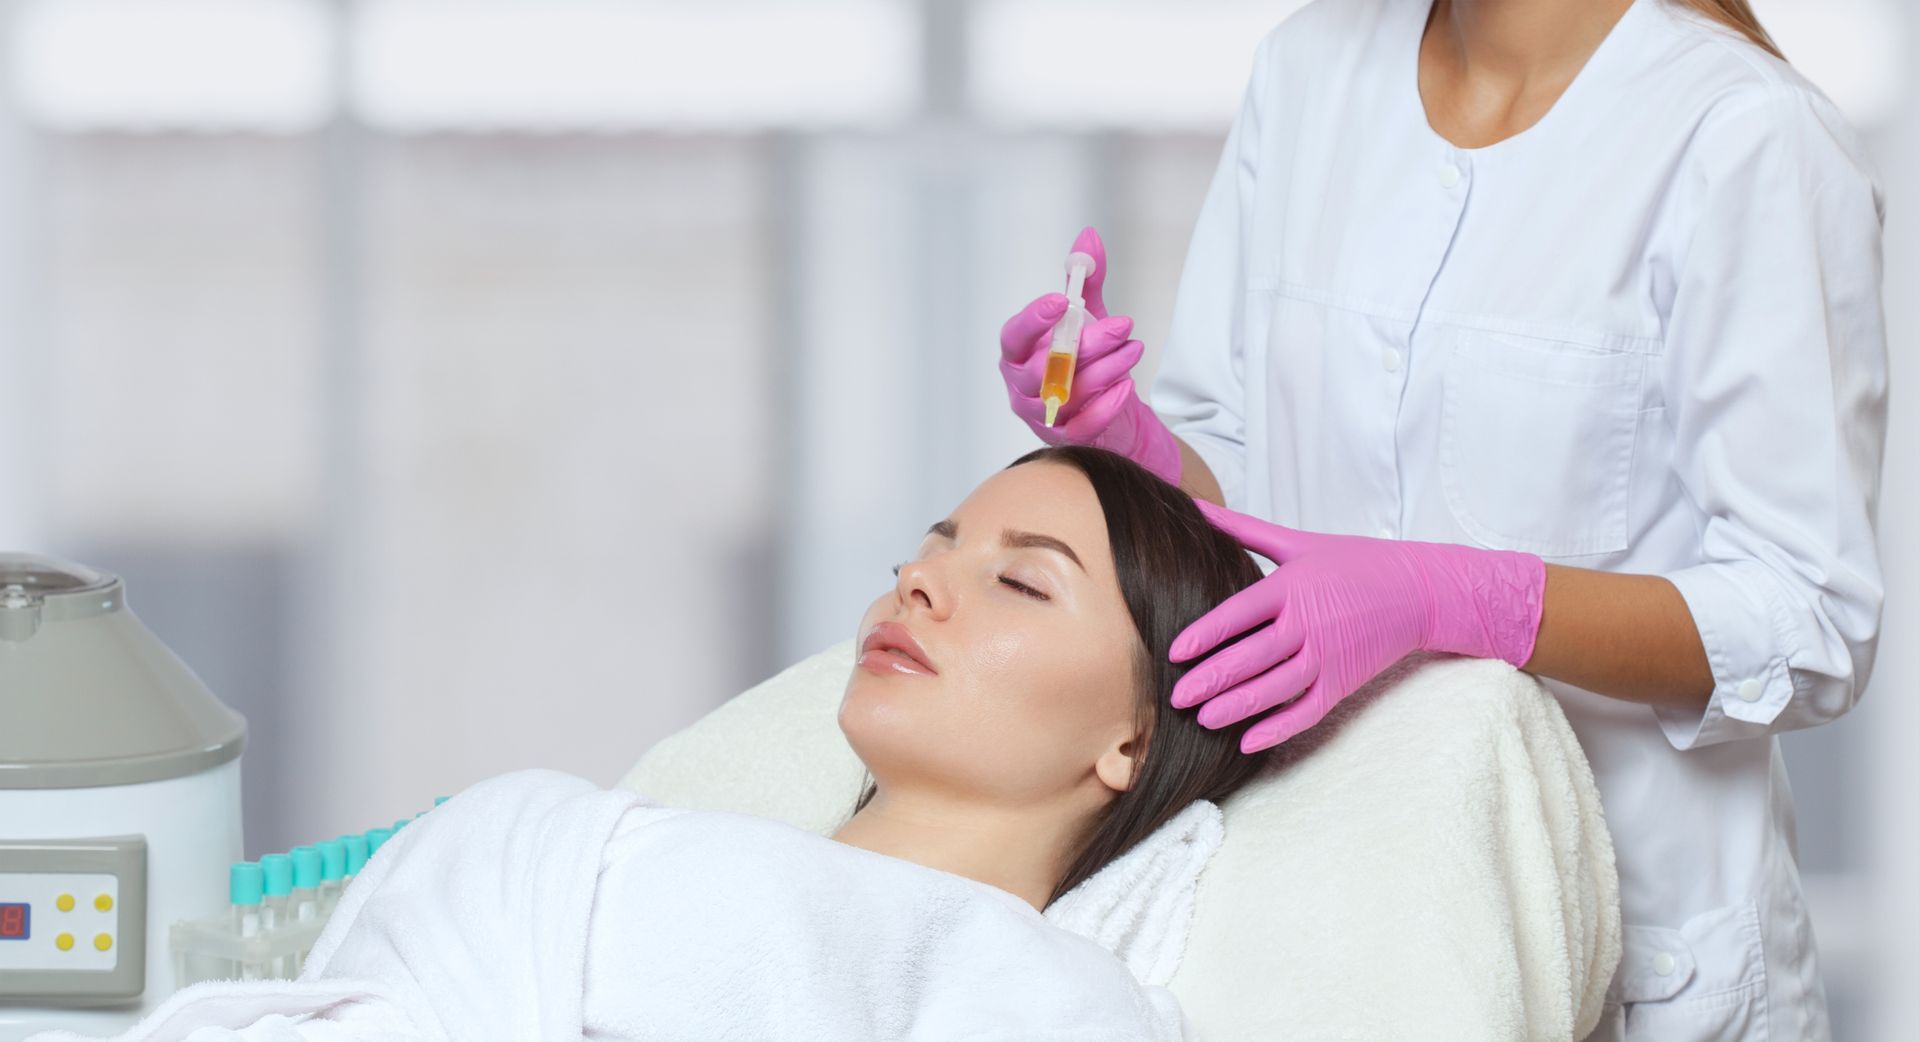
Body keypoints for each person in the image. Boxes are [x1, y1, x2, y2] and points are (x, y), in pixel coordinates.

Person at [997, 1, 1887, 1038]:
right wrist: (1139, 446)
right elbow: (1245, 480)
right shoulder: (1307, 71)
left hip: (1640, 962)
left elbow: (1810, 617)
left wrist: (1470, 602)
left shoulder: (1744, 134)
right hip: (1330, 924)